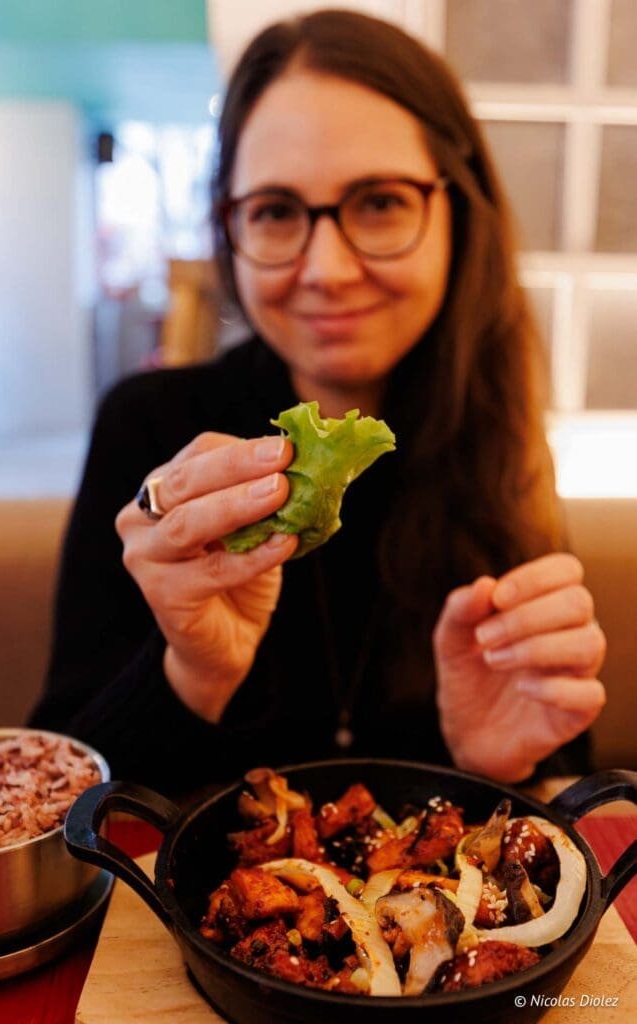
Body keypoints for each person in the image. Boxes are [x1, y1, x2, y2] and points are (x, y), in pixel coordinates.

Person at [29, 10, 606, 795]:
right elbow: (58, 800)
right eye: (274, 211)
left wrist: (501, 768)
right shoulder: (149, 430)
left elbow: (565, 779)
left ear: (457, 212)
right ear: (229, 230)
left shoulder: (494, 431)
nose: (327, 269)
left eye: (378, 203)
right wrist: (188, 674)